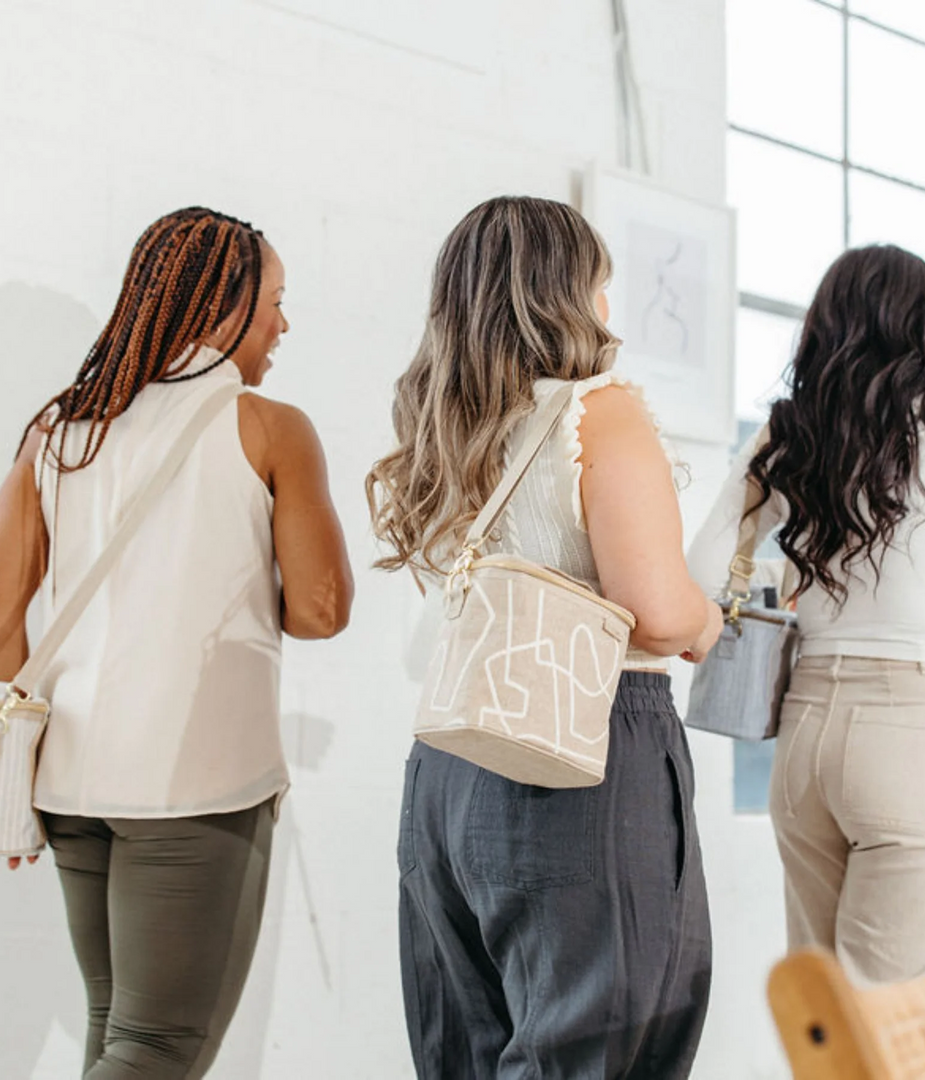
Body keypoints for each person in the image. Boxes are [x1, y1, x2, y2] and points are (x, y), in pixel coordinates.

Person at [0, 207, 354, 1078]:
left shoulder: (61, 429)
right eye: (275, 304)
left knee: (117, 1031)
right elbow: (321, 611)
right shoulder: (269, 428)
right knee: (156, 1051)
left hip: (70, 782)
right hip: (196, 786)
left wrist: (14, 760)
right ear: (225, 306)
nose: (283, 326)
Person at [367, 196, 721, 1079]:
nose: (610, 309)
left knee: (468, 1049)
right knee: (601, 1044)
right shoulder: (597, 410)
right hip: (583, 749)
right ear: (568, 293)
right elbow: (656, 608)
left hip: (448, 764)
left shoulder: (440, 428)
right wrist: (710, 616)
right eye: (602, 285)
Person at [687, 245, 925, 987]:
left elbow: (704, 574)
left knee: (830, 1027)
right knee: (890, 1030)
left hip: (805, 740)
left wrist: (799, 572)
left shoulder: (792, 431)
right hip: (920, 738)